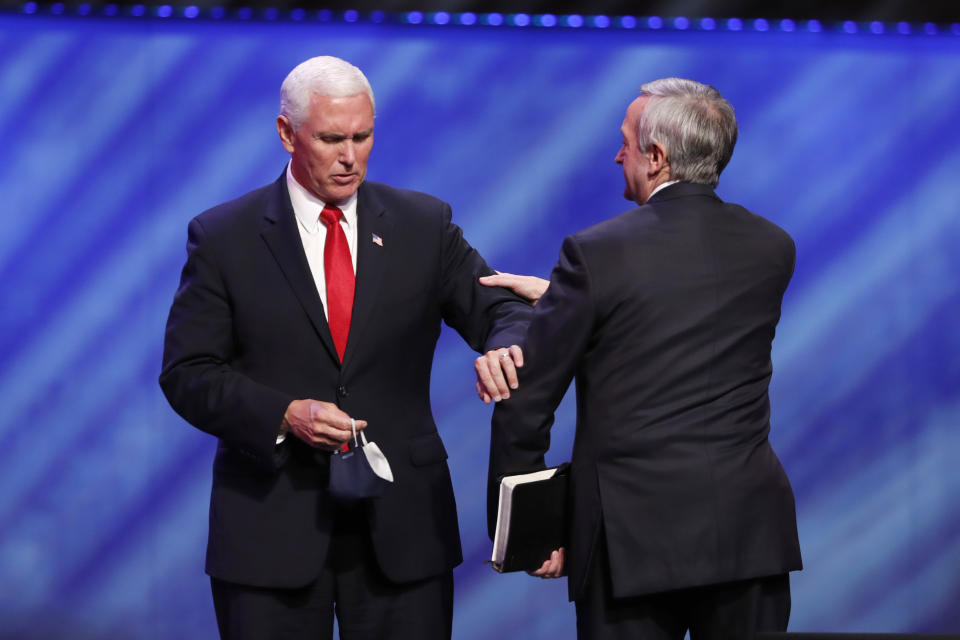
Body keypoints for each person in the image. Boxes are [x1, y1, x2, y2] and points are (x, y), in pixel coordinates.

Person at [159, 55, 531, 640]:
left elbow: (504, 307)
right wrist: (283, 415)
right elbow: (188, 373)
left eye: (362, 136)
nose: (350, 155)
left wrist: (506, 346)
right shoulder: (224, 237)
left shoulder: (422, 225)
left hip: (403, 531)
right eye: (331, 138)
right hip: (269, 529)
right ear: (286, 134)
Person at [485, 78, 802, 639]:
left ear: (656, 158)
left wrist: (530, 530)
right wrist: (569, 300)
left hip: (628, 546)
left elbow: (527, 404)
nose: (617, 154)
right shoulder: (772, 248)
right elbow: (679, 312)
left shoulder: (596, 254)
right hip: (749, 537)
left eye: (627, 142)